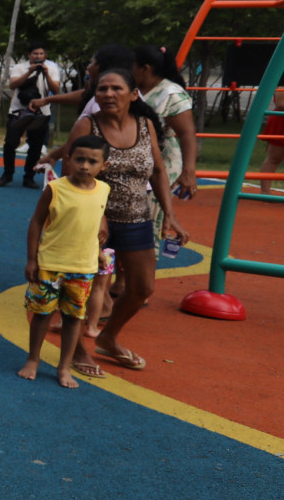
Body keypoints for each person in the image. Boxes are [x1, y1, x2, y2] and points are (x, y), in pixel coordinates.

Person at [65, 68, 188, 371]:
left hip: (137, 217)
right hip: (93, 220)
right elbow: (72, 174)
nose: (107, 94)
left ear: (133, 94)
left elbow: (158, 171)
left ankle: (108, 337)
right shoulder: (86, 126)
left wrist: (170, 214)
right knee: (81, 286)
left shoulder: (146, 124)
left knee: (142, 288)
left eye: (115, 88)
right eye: (101, 89)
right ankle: (78, 348)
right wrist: (99, 214)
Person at [20, 133, 110, 389]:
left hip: (83, 268)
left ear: (104, 166)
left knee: (74, 318)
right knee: (41, 314)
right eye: (79, 159)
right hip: (50, 265)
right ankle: (33, 359)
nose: (84, 165)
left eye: (92, 161)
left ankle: (63, 367)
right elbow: (37, 222)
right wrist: (31, 259)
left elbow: (94, 221)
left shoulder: (104, 189)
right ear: (68, 160)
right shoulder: (56, 188)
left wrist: (100, 253)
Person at [133, 46, 198, 201]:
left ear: (145, 69)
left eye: (130, 65)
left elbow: (187, 133)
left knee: (152, 216)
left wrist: (188, 171)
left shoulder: (170, 93)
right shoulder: (133, 88)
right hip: (137, 162)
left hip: (161, 164)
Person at [0, 43, 62, 187]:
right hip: (18, 111)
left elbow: (56, 89)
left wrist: (45, 73)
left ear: (45, 55)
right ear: (29, 55)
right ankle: (7, 174)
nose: (38, 56)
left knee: (36, 146)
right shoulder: (19, 68)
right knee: (10, 143)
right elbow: (13, 85)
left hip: (42, 112)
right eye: (35, 53)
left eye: (41, 54)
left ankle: (29, 177)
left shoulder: (51, 69)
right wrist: (29, 72)